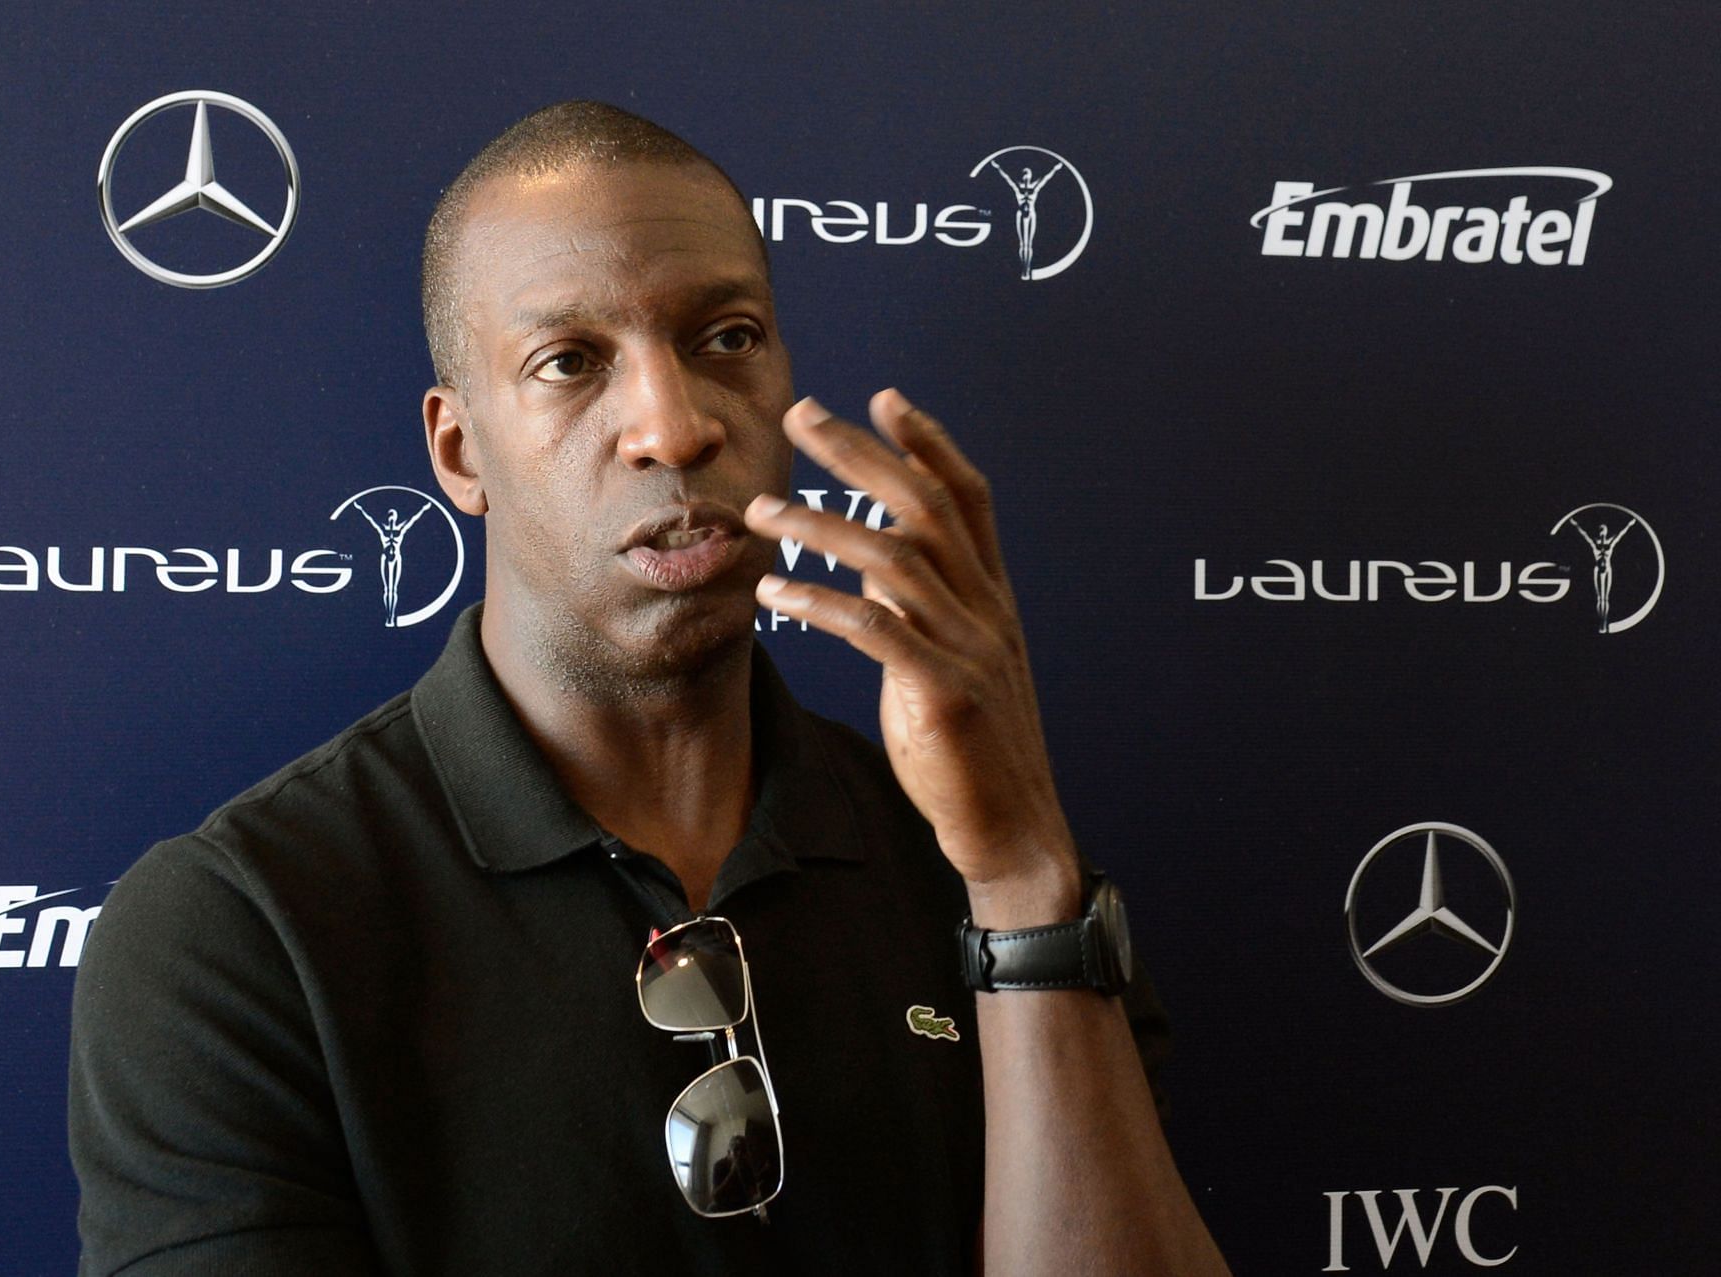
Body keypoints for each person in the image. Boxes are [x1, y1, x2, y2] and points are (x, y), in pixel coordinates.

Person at [68, 101, 1229, 1276]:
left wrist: (1024, 877)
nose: (673, 427)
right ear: (461, 451)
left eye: (726, 338)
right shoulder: (243, 924)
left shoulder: (974, 863)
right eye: (569, 362)